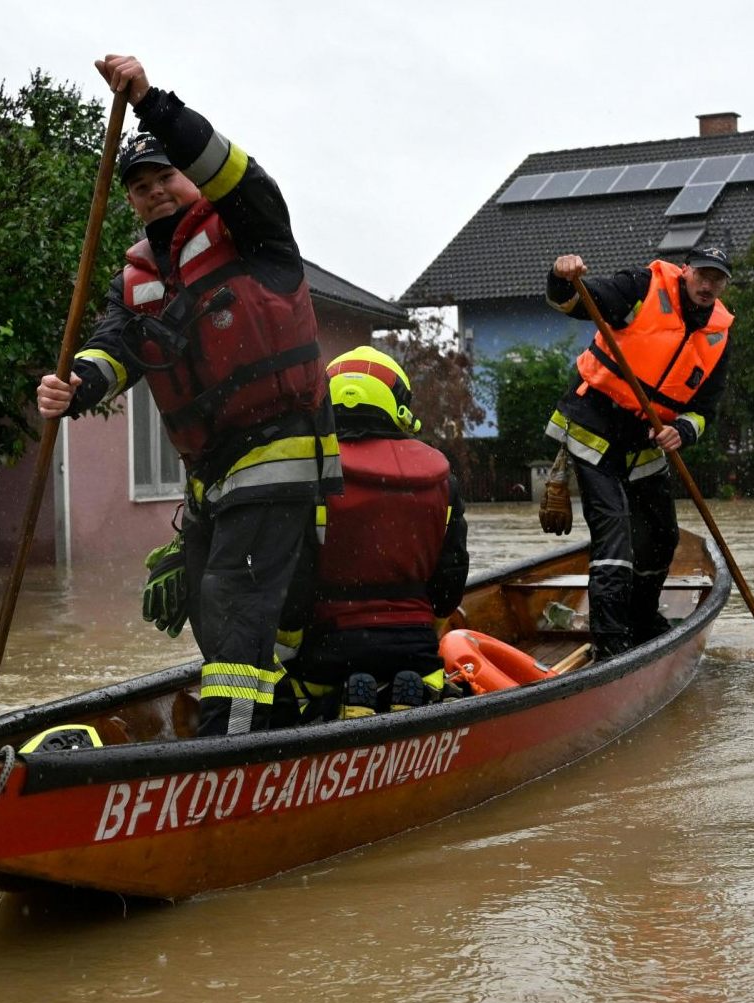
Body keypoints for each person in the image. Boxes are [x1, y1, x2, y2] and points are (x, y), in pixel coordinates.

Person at [37, 55, 341, 737]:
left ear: (191, 178)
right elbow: (115, 347)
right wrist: (74, 385)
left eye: (165, 176)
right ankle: (281, 723)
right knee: (223, 615)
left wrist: (150, 103)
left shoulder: (254, 228)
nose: (155, 192)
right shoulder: (135, 278)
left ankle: (222, 761)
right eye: (139, 186)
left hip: (279, 452)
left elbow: (232, 170)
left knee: (232, 601)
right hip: (210, 475)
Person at [543, 244, 734, 659]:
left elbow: (704, 410)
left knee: (662, 534)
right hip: (593, 424)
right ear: (685, 272)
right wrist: (561, 276)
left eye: (717, 279)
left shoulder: (718, 335)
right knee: (616, 535)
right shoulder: (643, 287)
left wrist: (683, 429)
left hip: (644, 439)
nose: (708, 284)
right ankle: (610, 643)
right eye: (702, 274)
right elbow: (575, 302)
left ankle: (642, 616)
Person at [276, 346, 469, 722]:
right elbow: (450, 582)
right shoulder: (443, 481)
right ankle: (408, 693)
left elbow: (294, 584)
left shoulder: (310, 475)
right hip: (416, 647)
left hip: (330, 649)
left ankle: (343, 701)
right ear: (397, 404)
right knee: (426, 679)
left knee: (297, 697)